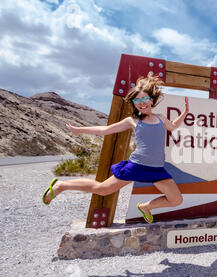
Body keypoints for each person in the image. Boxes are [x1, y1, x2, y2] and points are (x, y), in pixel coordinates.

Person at [42, 73, 189, 224]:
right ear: (133, 103)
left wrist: (185, 113)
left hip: (157, 169)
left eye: (144, 99)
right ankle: (61, 186)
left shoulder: (161, 118)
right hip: (137, 166)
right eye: (137, 100)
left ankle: (145, 207)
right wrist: (80, 130)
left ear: (151, 100)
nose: (141, 103)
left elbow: (173, 126)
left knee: (176, 199)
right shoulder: (132, 121)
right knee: (102, 189)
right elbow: (105, 130)